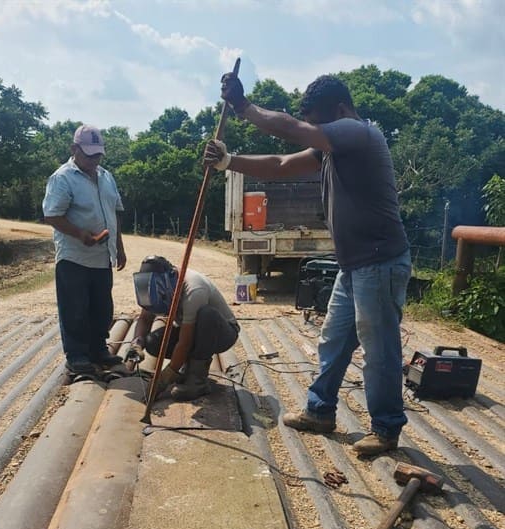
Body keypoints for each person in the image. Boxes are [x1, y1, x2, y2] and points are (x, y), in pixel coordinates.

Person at [204, 74, 411, 456]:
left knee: (379, 350)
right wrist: (229, 162)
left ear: (340, 110)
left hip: (380, 263)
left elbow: (292, 129)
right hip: (354, 265)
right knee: (333, 341)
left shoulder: (358, 133)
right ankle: (320, 411)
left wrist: (244, 108)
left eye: (319, 123)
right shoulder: (334, 147)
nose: (314, 130)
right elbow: (281, 163)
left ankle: (386, 428)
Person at [42, 124, 127, 376]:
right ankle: (77, 356)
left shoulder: (106, 177)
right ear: (74, 149)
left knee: (102, 307)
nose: (94, 158)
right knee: (75, 309)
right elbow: (52, 215)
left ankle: (98, 349)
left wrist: (119, 247)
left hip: (102, 256)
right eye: (89, 153)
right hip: (74, 257)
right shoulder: (62, 178)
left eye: (97, 153)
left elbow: (115, 213)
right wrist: (80, 234)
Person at [124, 255, 240, 400]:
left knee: (206, 315)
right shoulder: (153, 287)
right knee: (153, 342)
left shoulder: (194, 289)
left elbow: (184, 343)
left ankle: (197, 380)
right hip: (191, 331)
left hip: (221, 333)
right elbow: (145, 319)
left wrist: (165, 377)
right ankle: (187, 369)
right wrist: (137, 344)